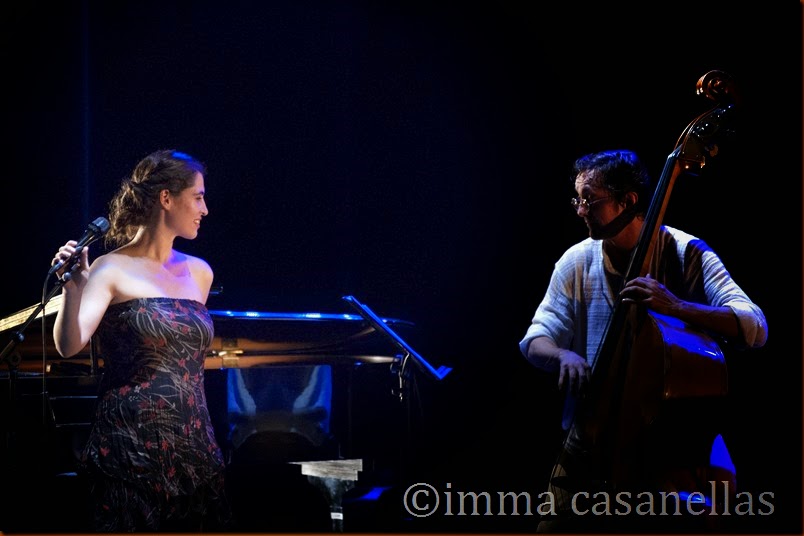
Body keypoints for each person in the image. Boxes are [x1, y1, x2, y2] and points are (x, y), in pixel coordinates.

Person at [519, 149, 767, 532]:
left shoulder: (688, 253)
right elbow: (536, 338)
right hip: (591, 436)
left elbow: (754, 326)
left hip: (669, 440)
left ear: (627, 201)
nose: (580, 210)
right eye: (577, 199)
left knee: (716, 499)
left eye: (590, 199)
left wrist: (677, 306)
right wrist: (562, 355)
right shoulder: (576, 260)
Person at [51, 149, 231, 532]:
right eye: (198, 197)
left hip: (194, 447)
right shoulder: (109, 268)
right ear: (166, 198)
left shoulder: (199, 273)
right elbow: (70, 345)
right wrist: (72, 290)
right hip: (127, 449)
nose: (205, 208)